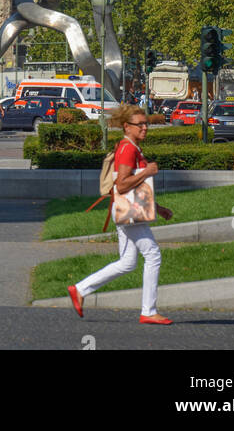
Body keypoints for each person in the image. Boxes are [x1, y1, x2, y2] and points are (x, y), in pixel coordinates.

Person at [68, 104, 174, 325]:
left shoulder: (131, 147)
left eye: (146, 123)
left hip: (128, 211)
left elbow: (135, 188)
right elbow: (123, 185)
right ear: (127, 127)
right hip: (129, 213)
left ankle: (79, 290)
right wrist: (147, 171)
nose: (145, 128)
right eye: (140, 124)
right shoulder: (128, 149)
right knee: (153, 255)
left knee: (127, 262)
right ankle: (149, 311)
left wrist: (159, 208)